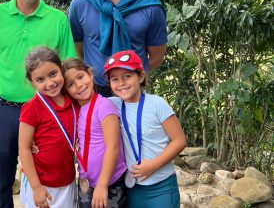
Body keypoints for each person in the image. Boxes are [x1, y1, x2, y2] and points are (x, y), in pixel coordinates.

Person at [0, 0, 76, 206]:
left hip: (47, 112)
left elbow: (67, 66)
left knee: (50, 177)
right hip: (5, 111)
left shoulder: (58, 20)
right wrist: (8, 84)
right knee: (2, 181)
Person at [69, 0, 168, 97]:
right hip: (93, 92)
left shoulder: (151, 7)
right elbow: (78, 50)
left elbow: (156, 57)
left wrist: (129, 76)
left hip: (133, 92)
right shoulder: (81, 3)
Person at [104, 50, 186, 207]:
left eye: (127, 76)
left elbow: (179, 140)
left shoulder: (157, 104)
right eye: (114, 79)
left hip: (162, 186)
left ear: (141, 76)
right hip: (134, 187)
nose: (121, 83)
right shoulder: (111, 105)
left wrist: (154, 165)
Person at [62, 58, 127, 208]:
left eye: (80, 77)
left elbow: (113, 147)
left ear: (90, 74)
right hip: (87, 181)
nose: (79, 85)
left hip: (109, 183)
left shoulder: (104, 106)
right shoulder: (76, 110)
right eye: (70, 84)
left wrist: (103, 184)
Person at [19, 47, 78, 208]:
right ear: (31, 82)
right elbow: (24, 149)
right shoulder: (31, 108)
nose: (50, 83)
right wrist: (36, 187)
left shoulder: (73, 99)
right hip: (40, 184)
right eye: (40, 79)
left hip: (66, 180)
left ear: (61, 69)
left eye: (53, 74)